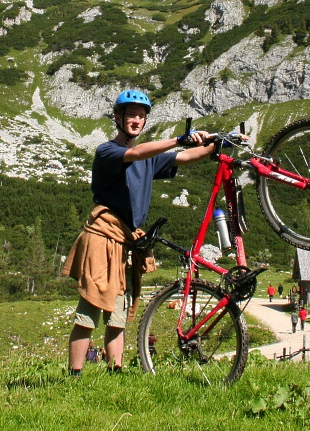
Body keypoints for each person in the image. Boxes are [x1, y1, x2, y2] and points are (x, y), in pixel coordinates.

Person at [63, 89, 214, 375]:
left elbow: (184, 157)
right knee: (89, 311)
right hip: (102, 237)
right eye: (131, 115)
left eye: (141, 116)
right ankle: (74, 374)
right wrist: (178, 139)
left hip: (126, 242)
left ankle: (115, 371)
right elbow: (134, 152)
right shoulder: (108, 151)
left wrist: (215, 144)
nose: (136, 120)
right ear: (118, 118)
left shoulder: (150, 159)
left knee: (118, 315)